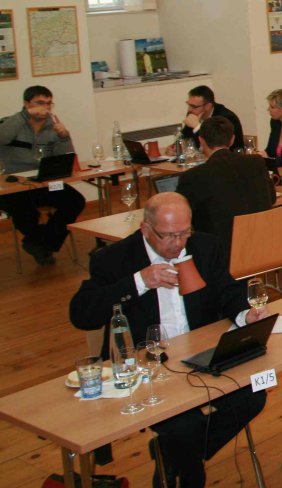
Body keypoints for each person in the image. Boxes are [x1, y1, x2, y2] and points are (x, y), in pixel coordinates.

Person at [68, 193, 271, 488]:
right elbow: (81, 315)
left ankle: (172, 455)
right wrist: (138, 282)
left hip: (200, 355)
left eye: (184, 233)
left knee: (253, 396)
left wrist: (245, 314)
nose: (178, 243)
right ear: (145, 229)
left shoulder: (204, 245)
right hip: (148, 367)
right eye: (168, 236)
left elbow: (227, 291)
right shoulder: (113, 259)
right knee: (183, 427)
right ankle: (189, 473)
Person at [0, 85, 85, 265]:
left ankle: (42, 243)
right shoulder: (10, 123)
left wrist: (64, 137)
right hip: (13, 184)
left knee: (75, 201)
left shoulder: (53, 127)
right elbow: (2, 138)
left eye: (48, 103)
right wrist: (25, 115)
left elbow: (66, 158)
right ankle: (41, 244)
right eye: (39, 103)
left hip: (43, 181)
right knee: (26, 211)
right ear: (26, 104)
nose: (45, 108)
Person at [175, 116, 277, 255]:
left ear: (201, 140)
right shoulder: (256, 162)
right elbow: (271, 198)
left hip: (221, 254)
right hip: (267, 245)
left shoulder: (193, 176)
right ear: (232, 139)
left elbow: (181, 217)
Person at [179, 85, 245, 152]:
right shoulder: (193, 114)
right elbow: (185, 139)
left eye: (194, 106)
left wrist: (197, 127)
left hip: (227, 157)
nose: (189, 109)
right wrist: (177, 147)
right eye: (189, 105)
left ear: (208, 106)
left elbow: (216, 145)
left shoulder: (226, 118)